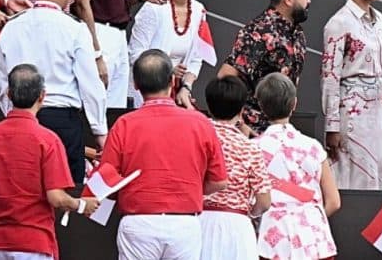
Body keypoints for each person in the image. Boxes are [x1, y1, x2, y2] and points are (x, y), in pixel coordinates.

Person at [99, 49, 228, 260]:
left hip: (138, 224)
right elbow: (219, 181)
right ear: (172, 80)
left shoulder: (124, 125)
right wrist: (190, 189)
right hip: (184, 224)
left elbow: (107, 180)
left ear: (136, 84)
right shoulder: (199, 123)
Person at [0, 64, 100, 260]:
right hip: (34, 241)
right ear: (42, 96)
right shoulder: (48, 140)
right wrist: (81, 205)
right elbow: (56, 197)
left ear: (9, 95)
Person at [0, 0, 108, 183]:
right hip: (62, 122)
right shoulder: (75, 29)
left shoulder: (11, 26)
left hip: (20, 118)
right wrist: (100, 132)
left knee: (24, 187)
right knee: (65, 193)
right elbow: (91, 85)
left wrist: (11, 115)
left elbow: (1, 81)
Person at [322, 0, 382, 190]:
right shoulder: (338, 23)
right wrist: (332, 125)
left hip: (378, 111)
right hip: (352, 112)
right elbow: (330, 77)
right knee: (356, 176)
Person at [256, 73, 340, 260]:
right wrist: (309, 220)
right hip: (315, 241)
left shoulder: (254, 148)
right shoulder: (313, 147)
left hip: (271, 242)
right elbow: (334, 201)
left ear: (261, 106)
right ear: (294, 104)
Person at [218, 0, 309, 134]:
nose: (308, 1)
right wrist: (240, 124)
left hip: (281, 129)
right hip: (253, 132)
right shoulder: (259, 31)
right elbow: (225, 77)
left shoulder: (298, 33)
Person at [128, 0, 208, 109]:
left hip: (177, 94)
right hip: (146, 93)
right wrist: (167, 70)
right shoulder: (154, 7)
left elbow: (196, 58)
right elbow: (135, 54)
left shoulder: (199, 10)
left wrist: (186, 87)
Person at [200, 77, 271, 260]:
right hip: (238, 226)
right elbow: (264, 202)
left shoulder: (197, 140)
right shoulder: (249, 147)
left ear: (208, 106)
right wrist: (249, 212)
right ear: (241, 111)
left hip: (199, 222)